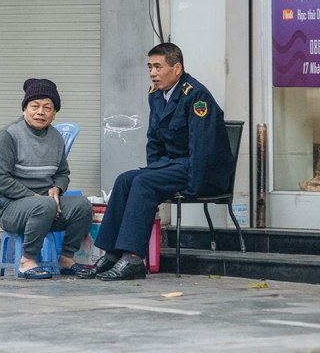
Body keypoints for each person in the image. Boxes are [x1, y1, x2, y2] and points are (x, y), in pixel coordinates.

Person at [78, 43, 235, 281]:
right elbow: (154, 138)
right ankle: (112, 254)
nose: (152, 73)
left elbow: (202, 148)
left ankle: (133, 259)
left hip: (202, 171)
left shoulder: (196, 96)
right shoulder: (156, 94)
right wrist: (152, 169)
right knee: (125, 180)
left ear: (177, 68)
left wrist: (194, 187)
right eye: (150, 67)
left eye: (158, 67)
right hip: (172, 165)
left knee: (144, 183)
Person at [0, 78, 92, 279]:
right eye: (34, 106)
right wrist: (35, 196)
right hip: (9, 206)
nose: (40, 112)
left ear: (54, 114)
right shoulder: (8, 135)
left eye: (47, 108)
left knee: (83, 205)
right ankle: (27, 261)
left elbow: (62, 173)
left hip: (47, 206)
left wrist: (57, 188)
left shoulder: (56, 138)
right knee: (45, 205)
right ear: (24, 109)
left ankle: (66, 258)